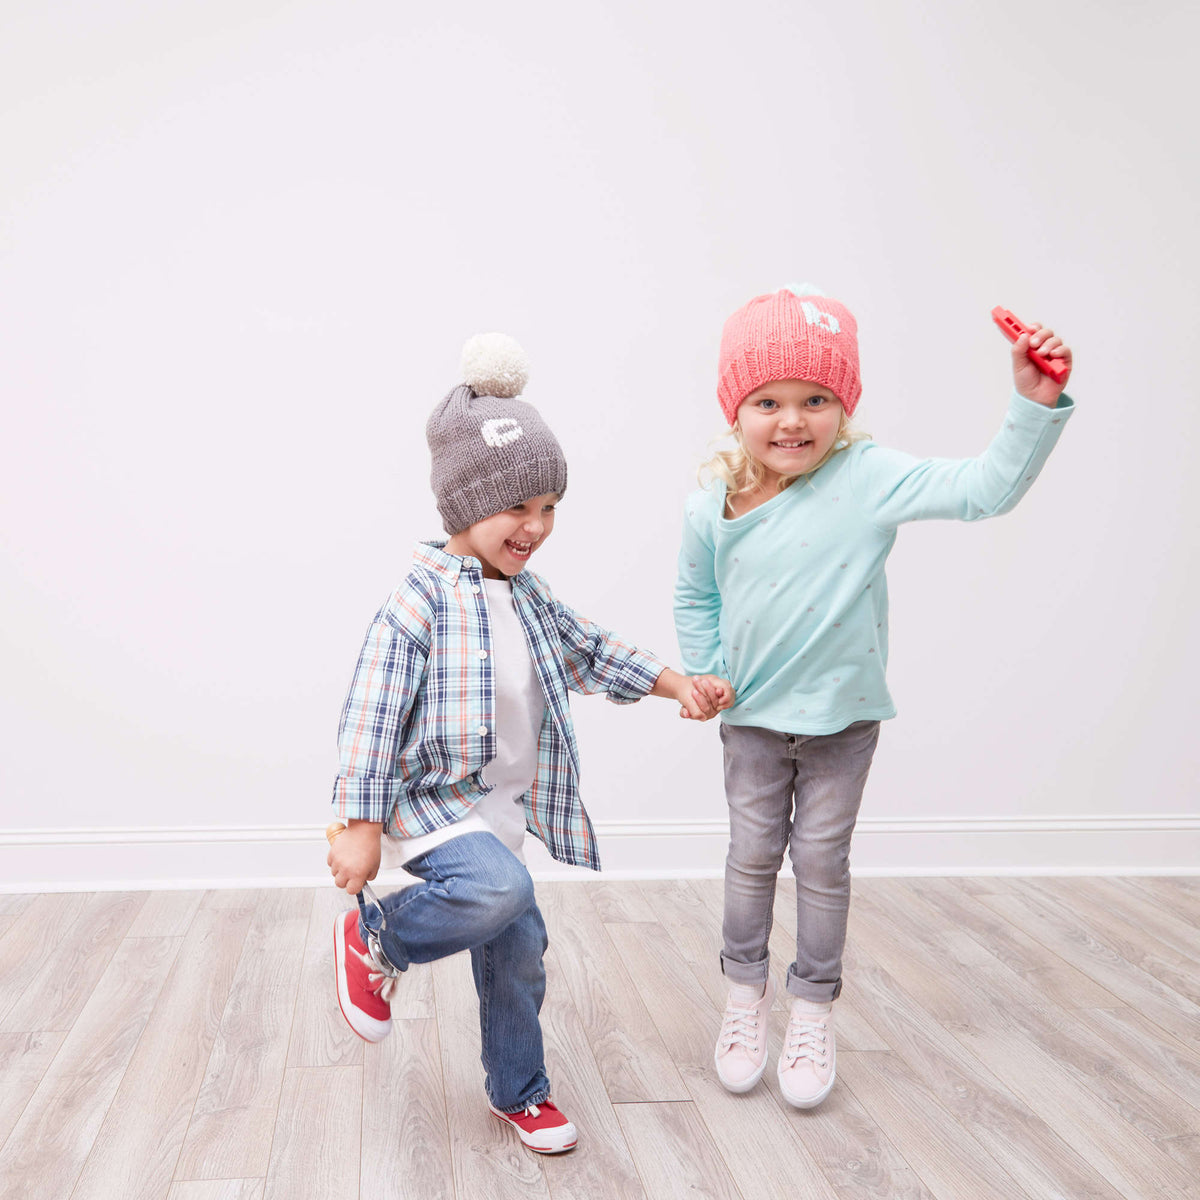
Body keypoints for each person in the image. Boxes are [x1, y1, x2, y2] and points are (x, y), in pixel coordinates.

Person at [328, 332, 732, 1155]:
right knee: (497, 889)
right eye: (518, 508)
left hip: (502, 812)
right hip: (438, 804)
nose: (537, 526)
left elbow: (593, 649)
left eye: (549, 507)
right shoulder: (419, 602)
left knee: (520, 954)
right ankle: (374, 938)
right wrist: (359, 825)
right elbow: (369, 717)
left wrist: (675, 683)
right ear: (463, 505)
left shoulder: (532, 597)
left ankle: (521, 1091)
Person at [675, 284, 1074, 1109]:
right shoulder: (710, 500)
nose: (793, 420)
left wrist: (1032, 403)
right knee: (751, 860)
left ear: (844, 404)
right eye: (769, 401)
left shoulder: (868, 477)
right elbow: (696, 596)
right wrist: (706, 667)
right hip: (749, 722)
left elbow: (983, 490)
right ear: (735, 407)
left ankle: (813, 1008)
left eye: (816, 399)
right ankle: (744, 999)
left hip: (841, 725)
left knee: (820, 864)